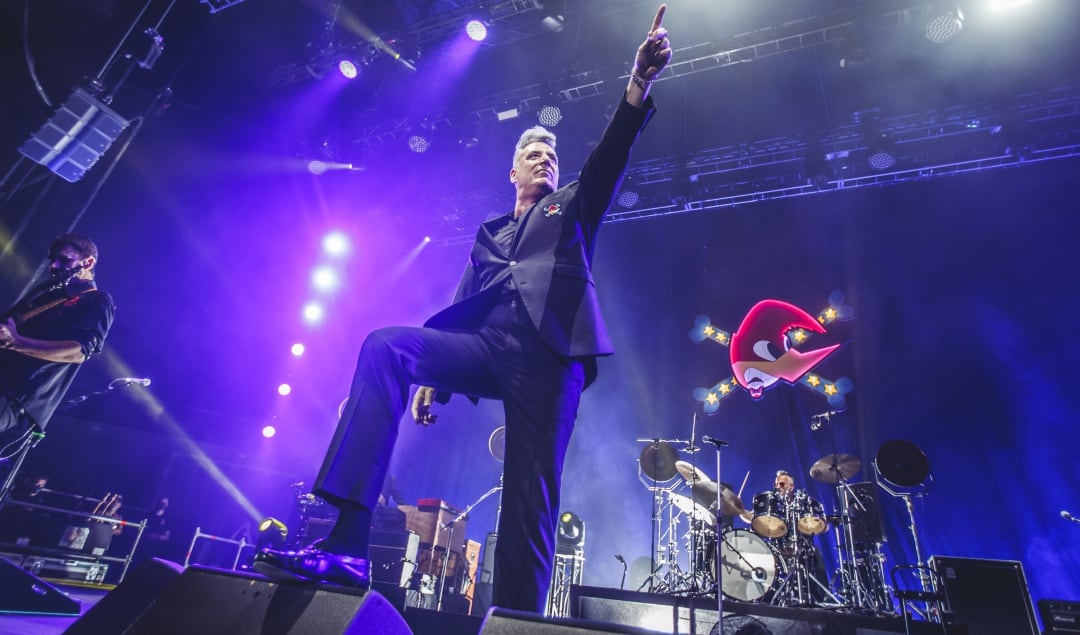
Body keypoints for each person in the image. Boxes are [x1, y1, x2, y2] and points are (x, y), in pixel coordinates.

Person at [254, 5, 673, 613]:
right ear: (512, 171)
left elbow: (609, 157)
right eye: (532, 154)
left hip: (550, 359)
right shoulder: (489, 231)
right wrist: (436, 382)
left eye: (551, 156)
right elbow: (466, 300)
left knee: (529, 498)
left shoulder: (572, 209)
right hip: (487, 347)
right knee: (387, 346)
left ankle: (517, 623)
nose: (544, 160)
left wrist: (638, 86)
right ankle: (345, 544)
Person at [0, 233, 116, 444]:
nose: (54, 265)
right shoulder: (45, 294)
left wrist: (17, 343)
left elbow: (80, 351)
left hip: (15, 397)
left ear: (88, 262)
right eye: (52, 260)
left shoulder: (97, 300)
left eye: (64, 259)